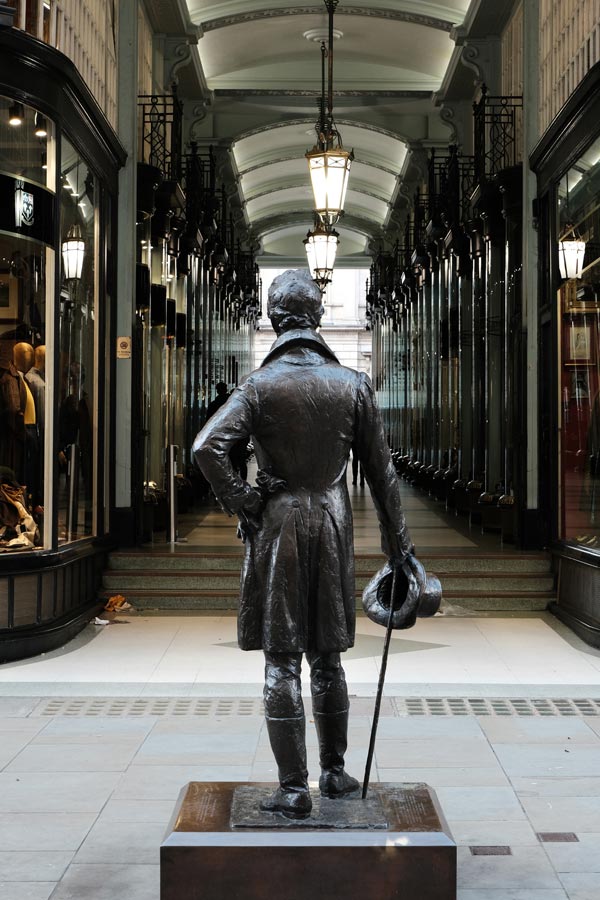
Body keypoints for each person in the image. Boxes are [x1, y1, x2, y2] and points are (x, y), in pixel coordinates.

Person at [193, 270, 413, 820]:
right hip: (334, 522)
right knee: (328, 657)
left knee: (281, 658)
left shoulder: (259, 386)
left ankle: (293, 787)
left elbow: (206, 447)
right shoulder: (353, 384)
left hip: (279, 525)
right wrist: (399, 547)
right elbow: (383, 475)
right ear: (316, 318)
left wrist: (243, 500)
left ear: (273, 318)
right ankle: (334, 772)